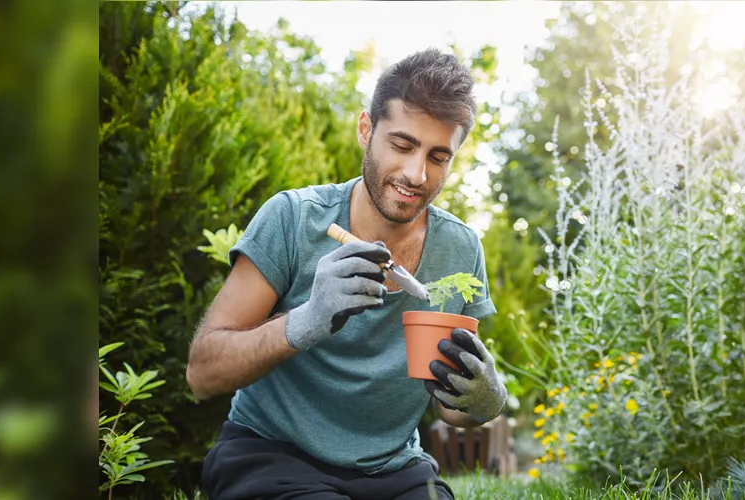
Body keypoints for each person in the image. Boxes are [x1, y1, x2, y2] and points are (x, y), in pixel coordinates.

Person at [186, 47, 507, 500]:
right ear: (365, 130)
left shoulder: (461, 248)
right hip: (274, 457)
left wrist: (485, 399)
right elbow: (202, 372)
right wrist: (307, 319)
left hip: (395, 468)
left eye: (438, 157)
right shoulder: (293, 219)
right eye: (402, 145)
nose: (416, 174)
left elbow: (449, 404)